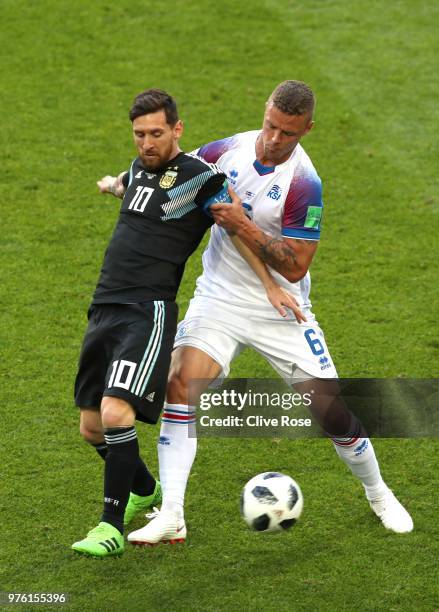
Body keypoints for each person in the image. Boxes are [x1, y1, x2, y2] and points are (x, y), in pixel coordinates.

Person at [126, 80, 413, 546]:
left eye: (289, 134)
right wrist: (123, 182)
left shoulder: (304, 183)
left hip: (281, 308)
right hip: (219, 298)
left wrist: (242, 223)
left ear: (307, 130)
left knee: (331, 410)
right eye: (272, 127)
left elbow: (296, 266)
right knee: (181, 383)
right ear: (265, 112)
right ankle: (173, 515)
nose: (276, 140)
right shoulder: (228, 150)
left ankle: (378, 493)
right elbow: (173, 172)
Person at [71, 88, 296, 557]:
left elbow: (235, 229)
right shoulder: (137, 169)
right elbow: (131, 189)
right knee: (92, 429)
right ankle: (145, 488)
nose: (146, 143)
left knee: (116, 413)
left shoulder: (203, 179)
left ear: (177, 130)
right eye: (139, 135)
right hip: (104, 306)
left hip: (147, 310)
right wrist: (112, 184)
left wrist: (271, 284)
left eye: (156, 133)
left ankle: (110, 526)